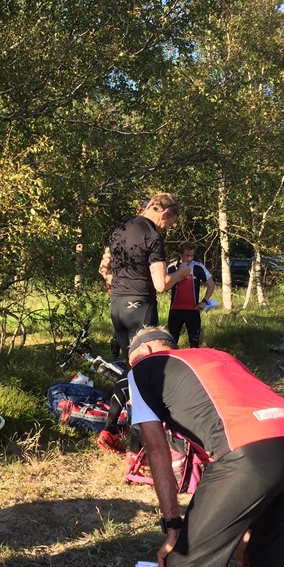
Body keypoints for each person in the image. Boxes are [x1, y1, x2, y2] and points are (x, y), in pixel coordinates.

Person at [127, 326, 284, 567]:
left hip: (250, 450)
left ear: (144, 351)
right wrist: (244, 524)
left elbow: (157, 450)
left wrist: (172, 527)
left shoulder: (142, 368)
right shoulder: (216, 356)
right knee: (272, 559)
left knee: (187, 563)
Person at [96, 193, 186, 454]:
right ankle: (135, 448)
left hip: (118, 306)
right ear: (164, 213)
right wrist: (180, 273)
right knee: (143, 374)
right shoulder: (152, 236)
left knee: (130, 368)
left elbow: (103, 268)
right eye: (169, 222)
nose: (166, 227)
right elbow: (161, 284)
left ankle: (111, 430)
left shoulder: (120, 228)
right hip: (141, 307)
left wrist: (116, 285)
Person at [166, 241, 215, 348]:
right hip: (175, 311)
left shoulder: (198, 267)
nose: (190, 258)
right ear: (180, 254)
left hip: (193, 311)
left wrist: (204, 301)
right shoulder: (172, 267)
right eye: (187, 255)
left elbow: (211, 285)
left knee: (194, 343)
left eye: (192, 255)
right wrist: (177, 278)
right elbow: (163, 286)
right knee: (172, 343)